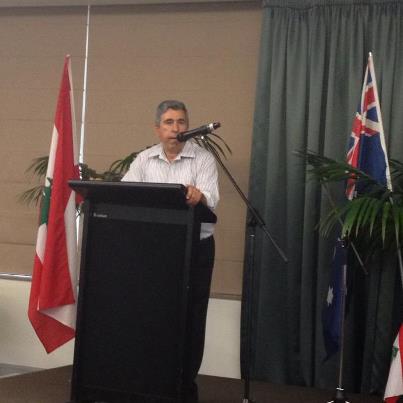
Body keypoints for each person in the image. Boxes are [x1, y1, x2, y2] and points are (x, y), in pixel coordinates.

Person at [122, 100, 219, 402]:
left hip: (196, 249)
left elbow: (212, 199)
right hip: (155, 251)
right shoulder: (144, 160)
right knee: (154, 314)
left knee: (191, 317)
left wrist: (199, 196)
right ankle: (152, 380)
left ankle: (184, 384)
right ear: (157, 129)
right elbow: (126, 193)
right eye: (169, 122)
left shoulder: (203, 159)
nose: (176, 128)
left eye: (181, 122)